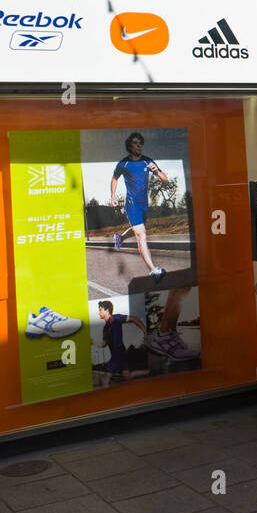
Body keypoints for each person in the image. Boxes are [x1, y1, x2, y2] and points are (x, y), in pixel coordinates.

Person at [110, 132, 167, 283]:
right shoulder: (123, 164)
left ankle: (120, 237)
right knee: (141, 235)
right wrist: (113, 195)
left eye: (140, 143)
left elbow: (165, 180)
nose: (139, 145)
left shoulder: (147, 161)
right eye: (135, 143)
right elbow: (114, 178)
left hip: (144, 205)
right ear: (129, 146)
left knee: (139, 231)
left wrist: (156, 171)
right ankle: (153, 271)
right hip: (131, 204)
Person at [94, 300, 150, 387]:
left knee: (105, 379)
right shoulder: (105, 328)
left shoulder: (116, 318)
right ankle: (150, 372)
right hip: (120, 353)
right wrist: (98, 344)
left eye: (100, 309)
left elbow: (135, 319)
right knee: (128, 376)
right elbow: (104, 344)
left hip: (118, 353)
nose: (99, 312)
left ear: (107, 310)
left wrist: (145, 332)